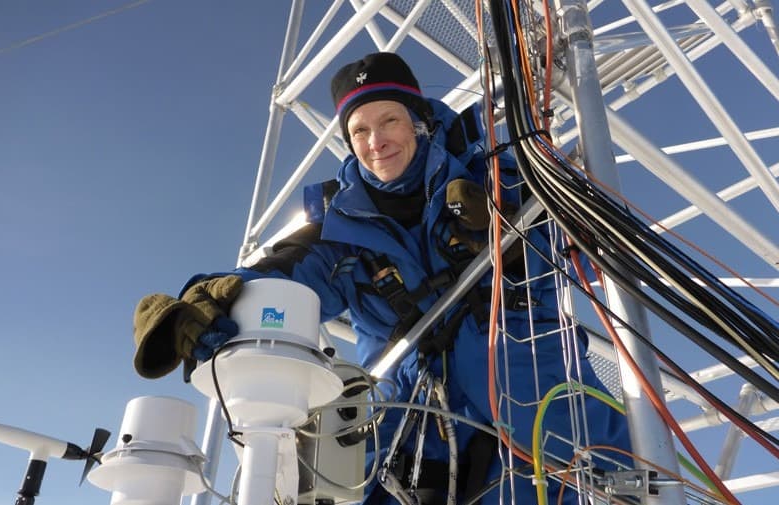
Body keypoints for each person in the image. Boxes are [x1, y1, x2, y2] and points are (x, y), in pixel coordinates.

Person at [132, 52, 631, 504]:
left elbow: (604, 253)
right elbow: (272, 283)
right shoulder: (339, 233)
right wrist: (206, 303)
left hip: (556, 440)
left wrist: (513, 228)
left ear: (418, 120)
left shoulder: (505, 178)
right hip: (408, 454)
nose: (377, 142)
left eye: (389, 120)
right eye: (359, 131)